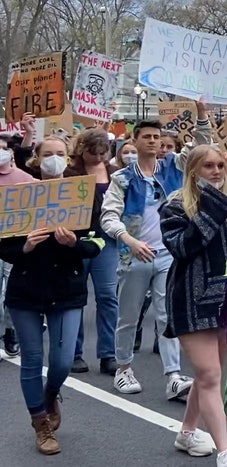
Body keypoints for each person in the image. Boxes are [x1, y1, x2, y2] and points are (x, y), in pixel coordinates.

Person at [0, 145, 104, 455]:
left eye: (59, 152)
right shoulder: (18, 194)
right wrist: (25, 248)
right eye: (48, 153)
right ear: (37, 158)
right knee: (32, 359)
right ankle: (40, 424)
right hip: (26, 289)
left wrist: (74, 244)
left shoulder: (83, 193)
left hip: (66, 288)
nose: (53, 158)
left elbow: (97, 240)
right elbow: (3, 246)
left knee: (60, 362)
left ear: (67, 157)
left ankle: (51, 393)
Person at [161, 145, 227, 466]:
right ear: (193, 171)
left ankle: (186, 431)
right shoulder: (174, 206)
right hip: (190, 300)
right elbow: (183, 247)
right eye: (208, 166)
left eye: (220, 165)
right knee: (211, 375)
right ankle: (225, 451)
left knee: (207, 375)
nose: (216, 171)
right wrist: (214, 204)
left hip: (226, 300)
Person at [101, 115, 202, 402]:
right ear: (134, 141)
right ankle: (124, 368)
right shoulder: (122, 178)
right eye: (146, 137)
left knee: (167, 315)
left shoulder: (173, 167)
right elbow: (108, 216)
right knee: (129, 316)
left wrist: (202, 116)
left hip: (168, 254)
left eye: (157, 137)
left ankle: (173, 375)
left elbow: (203, 148)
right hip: (133, 256)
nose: (153, 141)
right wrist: (129, 241)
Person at [64, 128, 121, 375]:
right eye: (92, 153)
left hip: (106, 239)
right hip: (77, 239)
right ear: (81, 150)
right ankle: (74, 353)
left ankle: (108, 353)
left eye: (102, 153)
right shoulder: (70, 173)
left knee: (108, 296)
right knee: (76, 296)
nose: (98, 158)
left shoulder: (115, 174)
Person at [0, 128, 38, 359]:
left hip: (15, 243)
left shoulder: (25, 179)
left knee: (11, 290)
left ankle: (10, 332)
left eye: (5, 149)